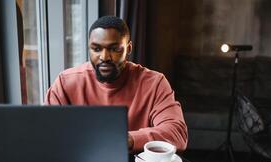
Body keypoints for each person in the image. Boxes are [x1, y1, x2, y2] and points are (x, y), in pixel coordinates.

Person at [45, 16, 187, 152]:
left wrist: (127, 139)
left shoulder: (155, 83)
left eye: (115, 49)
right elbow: (47, 132)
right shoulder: (65, 82)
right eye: (96, 49)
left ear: (128, 49)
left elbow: (177, 133)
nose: (105, 57)